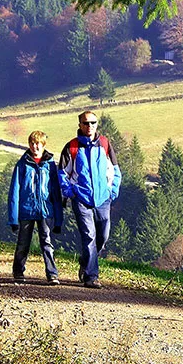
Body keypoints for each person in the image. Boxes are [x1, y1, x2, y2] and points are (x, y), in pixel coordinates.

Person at [58, 111, 121, 288]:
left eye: (93, 122)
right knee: (89, 236)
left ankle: (86, 263)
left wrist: (112, 192)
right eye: (86, 123)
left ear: (97, 124)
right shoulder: (71, 147)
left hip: (103, 199)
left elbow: (115, 170)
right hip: (81, 199)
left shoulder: (105, 144)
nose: (90, 126)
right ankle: (91, 276)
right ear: (80, 125)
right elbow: (62, 173)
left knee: (103, 235)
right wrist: (70, 192)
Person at [8, 131, 63, 285]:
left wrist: (58, 220)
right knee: (23, 243)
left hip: (46, 211)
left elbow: (56, 193)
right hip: (26, 210)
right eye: (32, 143)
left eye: (38, 143)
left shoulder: (50, 164)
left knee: (47, 242)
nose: (34, 146)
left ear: (44, 145)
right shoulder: (22, 164)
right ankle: (18, 271)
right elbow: (14, 192)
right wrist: (13, 218)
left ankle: (52, 274)